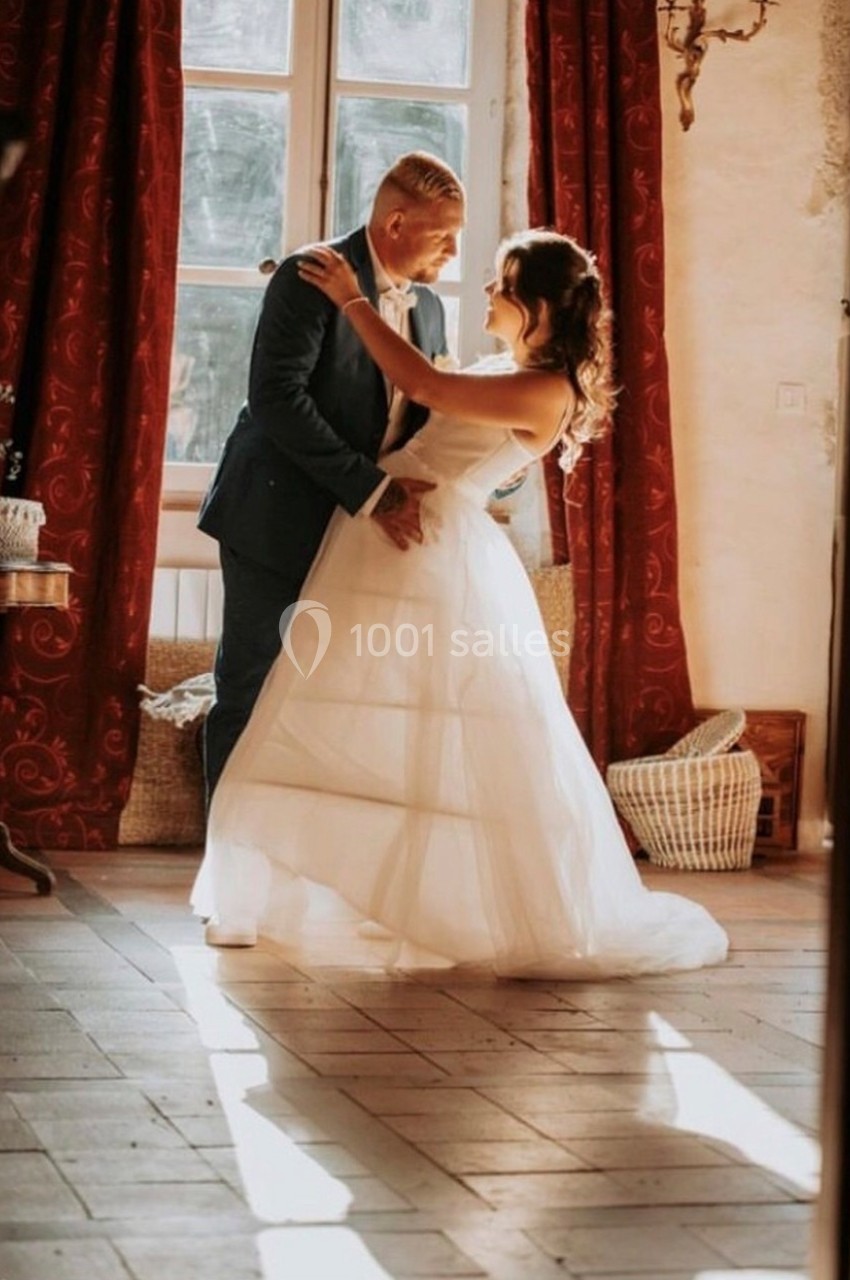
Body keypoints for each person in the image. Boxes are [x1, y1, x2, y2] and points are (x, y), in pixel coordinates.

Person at [191, 228, 728, 978]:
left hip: (428, 551)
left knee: (422, 724)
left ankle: (465, 907)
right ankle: (289, 892)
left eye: (503, 284)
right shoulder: (514, 369)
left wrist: (352, 300)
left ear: (538, 305)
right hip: (382, 534)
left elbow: (428, 388)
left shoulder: (546, 388)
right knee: (321, 710)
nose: (486, 292)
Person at [198, 152, 466, 801]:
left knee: (329, 699)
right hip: (273, 516)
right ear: (397, 221)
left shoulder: (428, 309)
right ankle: (230, 868)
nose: (456, 250)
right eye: (444, 234)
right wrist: (374, 491)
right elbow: (277, 399)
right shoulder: (309, 273)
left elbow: (420, 416)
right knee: (252, 687)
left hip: (355, 533)